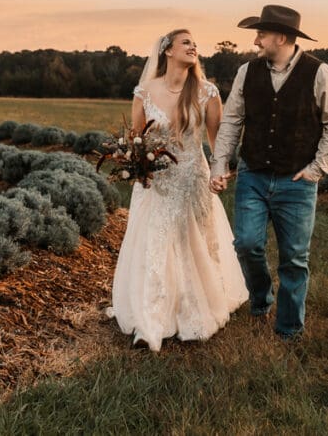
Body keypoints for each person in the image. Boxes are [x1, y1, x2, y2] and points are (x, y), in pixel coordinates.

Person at [209, 5, 328, 341]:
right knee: (246, 243)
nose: (257, 40)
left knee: (294, 259)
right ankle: (260, 300)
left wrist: (317, 168)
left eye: (262, 33)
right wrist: (220, 164)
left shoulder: (320, 73)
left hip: (297, 182)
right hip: (253, 175)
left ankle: (288, 331)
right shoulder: (247, 72)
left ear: (281, 37)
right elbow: (231, 120)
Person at [107, 28, 249, 351]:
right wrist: (137, 167)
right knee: (155, 245)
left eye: (195, 44)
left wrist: (219, 172)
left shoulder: (207, 92)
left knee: (191, 244)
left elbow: (218, 143)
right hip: (156, 183)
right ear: (167, 51)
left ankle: (193, 307)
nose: (193, 47)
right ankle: (149, 324)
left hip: (192, 178)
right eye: (186, 42)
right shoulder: (145, 91)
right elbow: (136, 140)